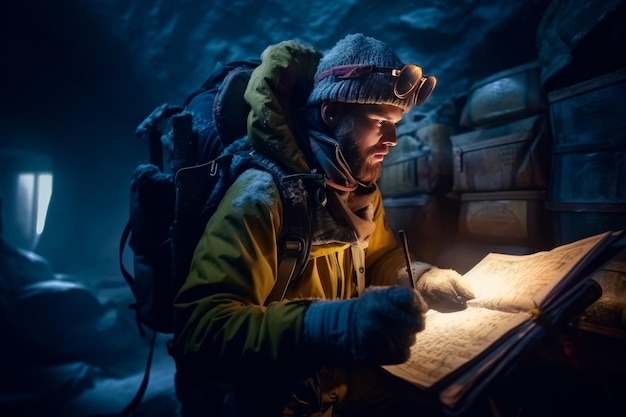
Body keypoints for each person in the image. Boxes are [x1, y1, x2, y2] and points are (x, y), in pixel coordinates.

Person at [172, 33, 475, 417]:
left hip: (344, 385)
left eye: (397, 123)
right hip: (279, 400)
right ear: (331, 113)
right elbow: (202, 330)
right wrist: (330, 325)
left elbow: (378, 255)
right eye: (381, 121)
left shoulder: (357, 188)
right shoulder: (262, 196)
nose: (393, 139)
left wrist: (420, 276)